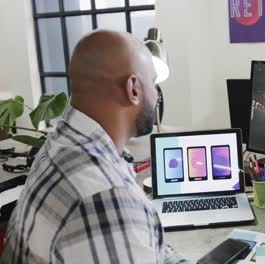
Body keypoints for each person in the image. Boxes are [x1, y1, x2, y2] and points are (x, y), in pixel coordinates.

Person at [2, 30, 189, 263]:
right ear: (133, 89)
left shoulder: (58, 147)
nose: (157, 95)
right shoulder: (107, 199)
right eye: (152, 83)